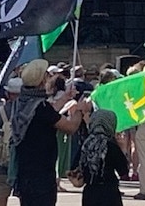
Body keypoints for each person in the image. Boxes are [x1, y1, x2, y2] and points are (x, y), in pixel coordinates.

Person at [11, 59, 86, 206]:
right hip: (41, 172)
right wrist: (79, 110)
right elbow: (70, 127)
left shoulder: (24, 101)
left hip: (25, 170)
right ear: (41, 80)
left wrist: (65, 97)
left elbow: (50, 113)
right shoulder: (40, 107)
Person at [80, 110, 128, 206]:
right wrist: (123, 148)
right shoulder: (110, 145)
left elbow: (76, 167)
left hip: (90, 192)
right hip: (109, 192)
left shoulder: (86, 144)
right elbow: (123, 170)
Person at [0, 77, 22, 206]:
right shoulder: (28, 111)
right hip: (22, 162)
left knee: (0, 199)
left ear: (8, 94)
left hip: (1, 160)